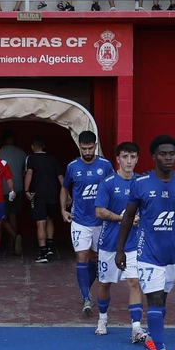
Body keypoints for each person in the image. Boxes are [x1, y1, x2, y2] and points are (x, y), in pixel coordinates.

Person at [114, 134, 175, 350]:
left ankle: (152, 339)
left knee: (162, 299)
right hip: (147, 254)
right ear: (154, 157)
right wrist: (120, 249)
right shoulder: (141, 183)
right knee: (153, 298)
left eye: (172, 154)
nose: (168, 158)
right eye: (163, 154)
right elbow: (128, 216)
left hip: (172, 254)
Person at [92, 141, 145, 341]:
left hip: (134, 244)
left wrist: (141, 218)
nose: (129, 161)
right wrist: (123, 218)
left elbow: (149, 209)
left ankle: (136, 327)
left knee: (134, 282)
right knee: (105, 283)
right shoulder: (107, 183)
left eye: (132, 157)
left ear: (137, 159)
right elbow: (99, 211)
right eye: (125, 157)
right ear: (118, 159)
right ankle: (102, 318)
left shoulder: (142, 183)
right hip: (109, 243)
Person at [60, 131, 114, 315]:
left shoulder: (106, 165)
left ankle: (86, 288)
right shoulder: (72, 166)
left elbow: (114, 187)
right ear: (80, 147)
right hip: (80, 220)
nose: (87, 152)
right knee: (82, 256)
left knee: (95, 258)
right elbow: (65, 187)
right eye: (84, 148)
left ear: (95, 146)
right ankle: (86, 297)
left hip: (101, 221)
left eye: (90, 148)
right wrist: (63, 209)